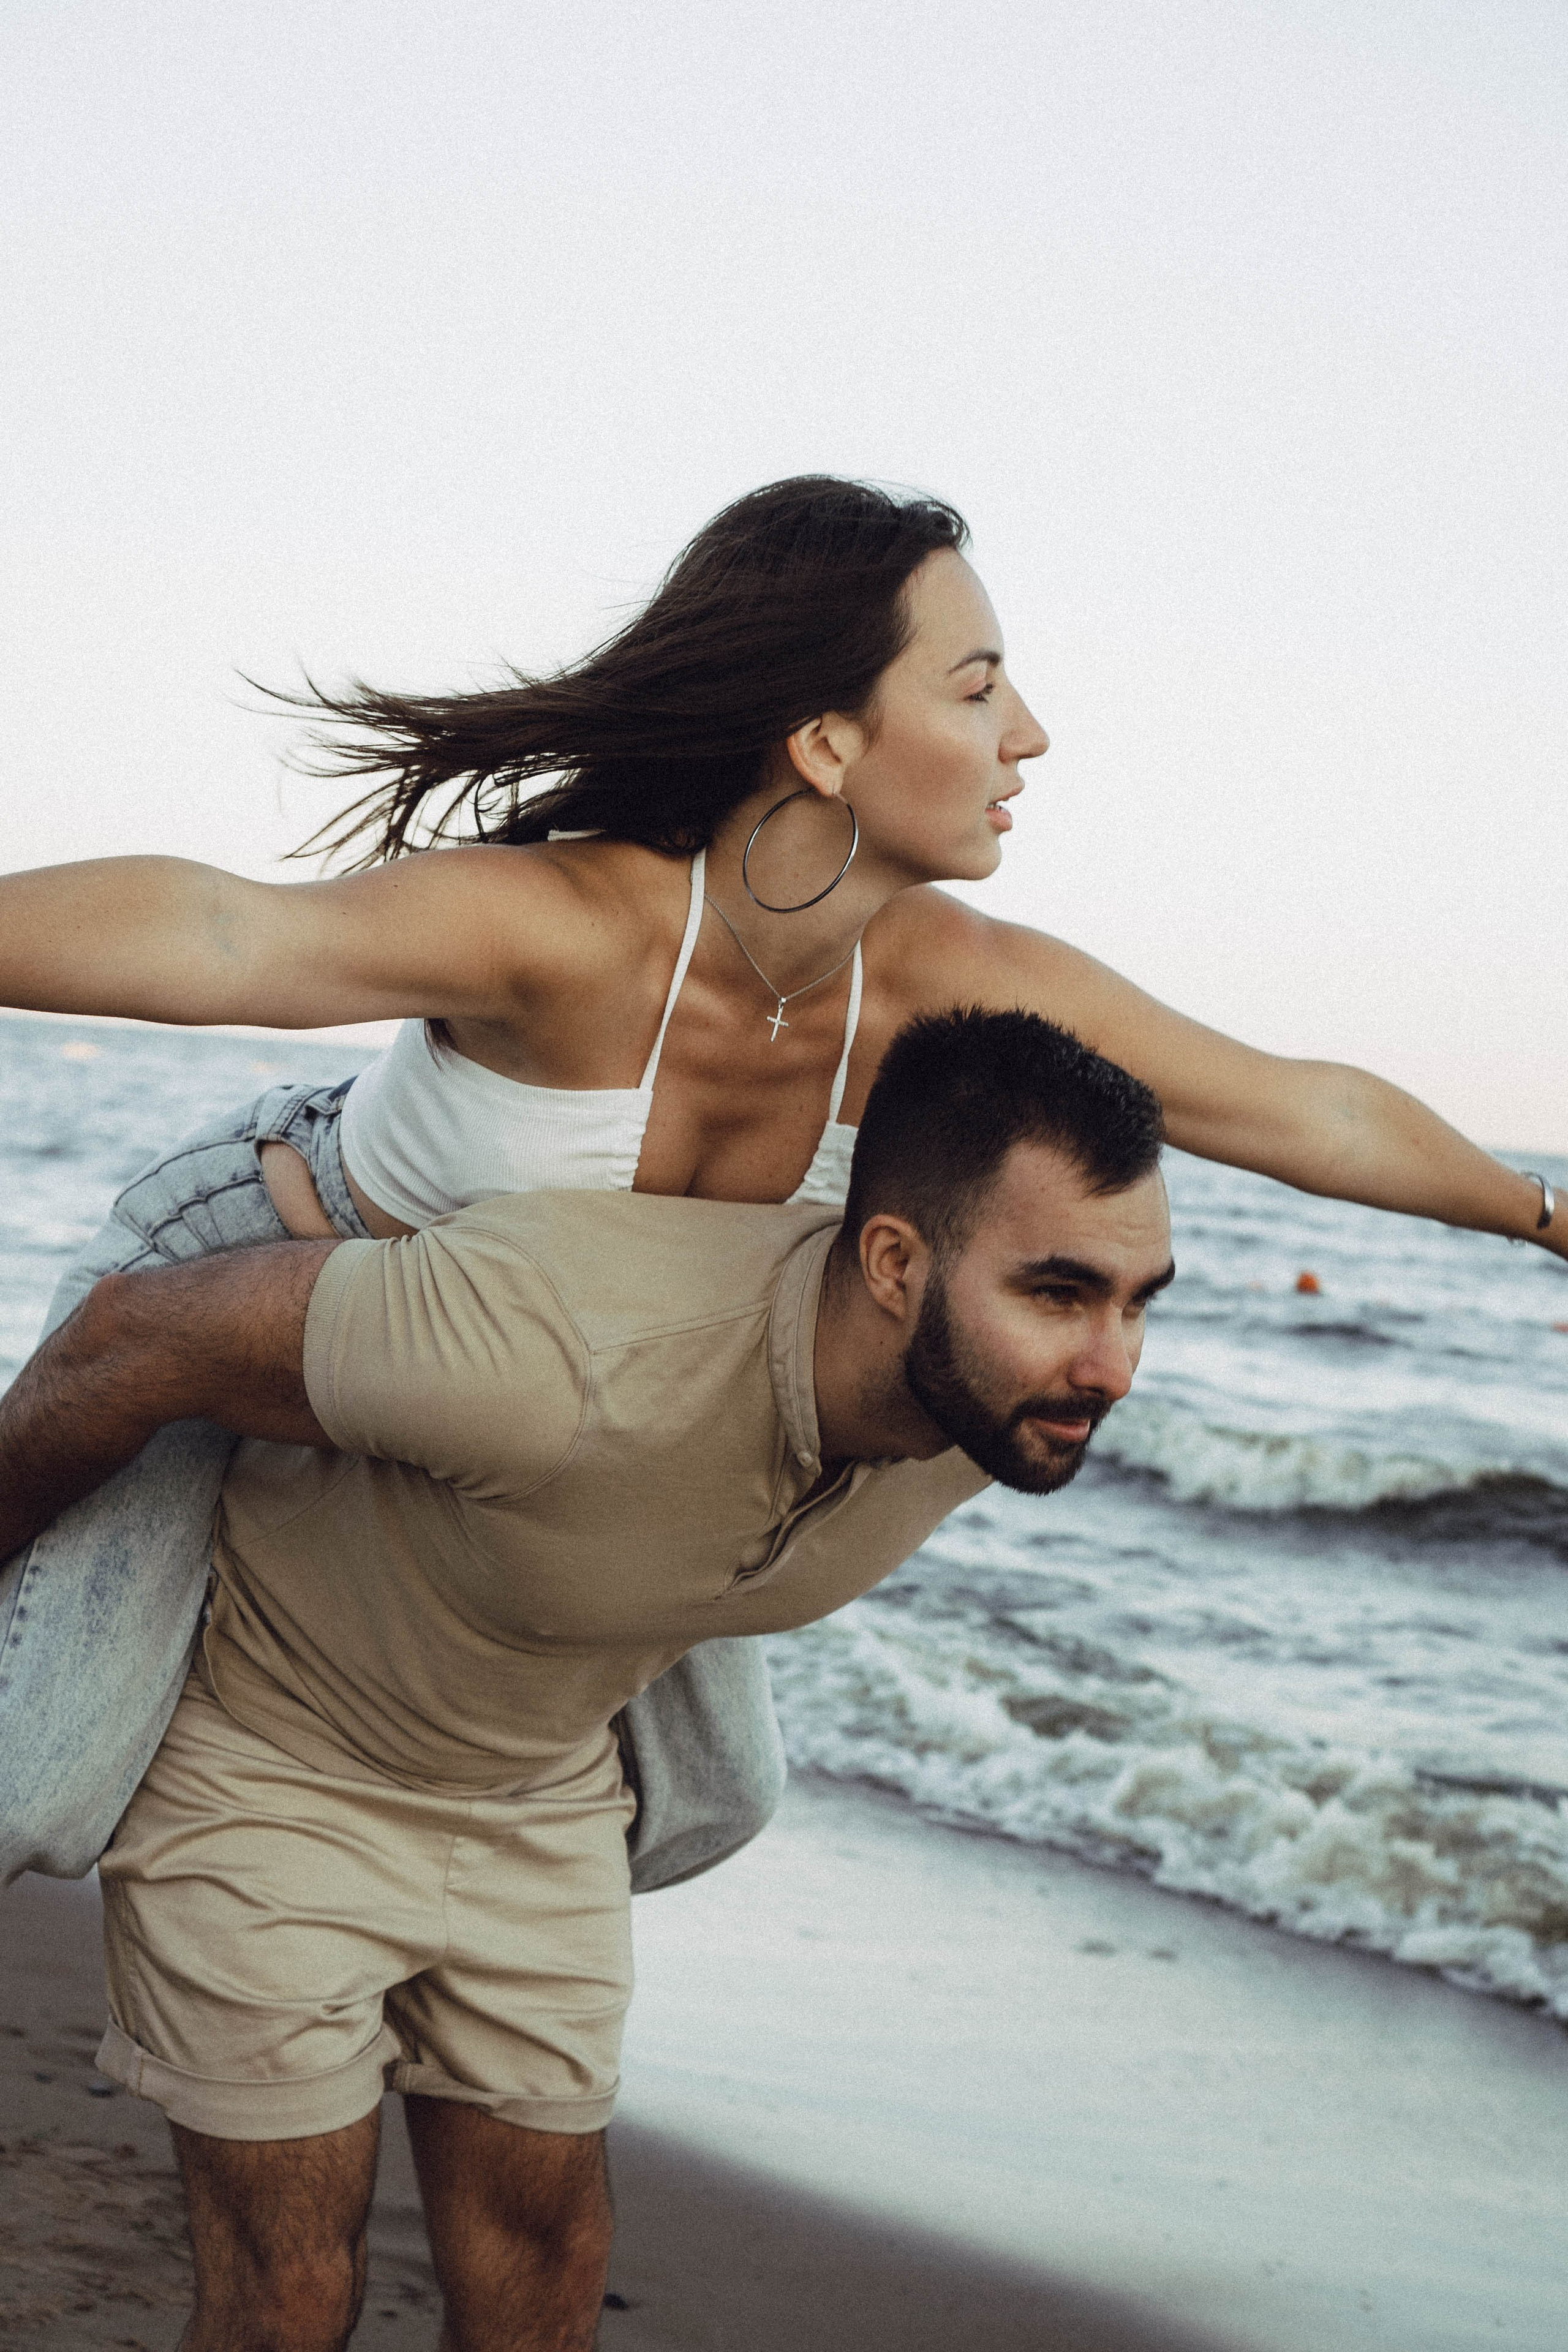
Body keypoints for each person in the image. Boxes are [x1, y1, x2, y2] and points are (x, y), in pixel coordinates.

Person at [0, 475, 1560, 1889]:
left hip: (542, 1389)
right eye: (976, 684)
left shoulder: (947, 986)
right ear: (825, 743)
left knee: (708, 1798)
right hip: (260, 1269)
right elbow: (225, 937)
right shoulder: (572, 925)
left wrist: (1549, 1219)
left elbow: (1306, 1115)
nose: (1028, 733)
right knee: (33, 1786)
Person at [0, 1010, 1175, 2352]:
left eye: (1139, 1301)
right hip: (270, 1763)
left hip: (541, 1793)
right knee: (290, 2299)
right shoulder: (560, 1337)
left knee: (543, 2284)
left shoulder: (989, 1417)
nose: (1112, 1366)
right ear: (896, 1264)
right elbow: (132, 1338)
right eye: (1059, 1293)